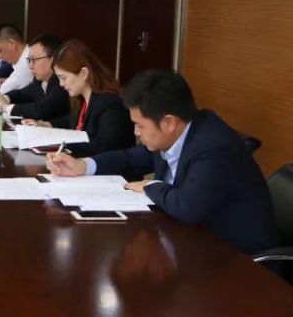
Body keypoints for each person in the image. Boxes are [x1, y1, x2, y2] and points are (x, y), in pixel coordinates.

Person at [47, 69, 278, 255]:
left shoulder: (213, 148)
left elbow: (187, 206)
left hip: (236, 259)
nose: (136, 133)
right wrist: (83, 166)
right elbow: (130, 158)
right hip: (191, 241)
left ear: (169, 122)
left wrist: (151, 187)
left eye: (140, 126)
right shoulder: (176, 134)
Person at [28, 39, 134, 157]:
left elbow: (105, 147)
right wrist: (45, 125)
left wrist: (62, 138)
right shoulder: (82, 99)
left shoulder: (110, 105)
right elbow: (69, 120)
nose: (61, 84)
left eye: (63, 78)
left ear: (84, 73)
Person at [0, 35, 70, 121]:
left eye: (34, 59)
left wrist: (6, 107)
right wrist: (5, 98)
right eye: (29, 60)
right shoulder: (39, 81)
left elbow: (40, 110)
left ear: (53, 60)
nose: (30, 66)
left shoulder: (61, 83)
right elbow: (22, 94)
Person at [0, 24, 33, 94]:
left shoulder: (27, 60)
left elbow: (3, 92)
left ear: (12, 43)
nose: (0, 56)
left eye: (0, 50)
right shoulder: (26, 54)